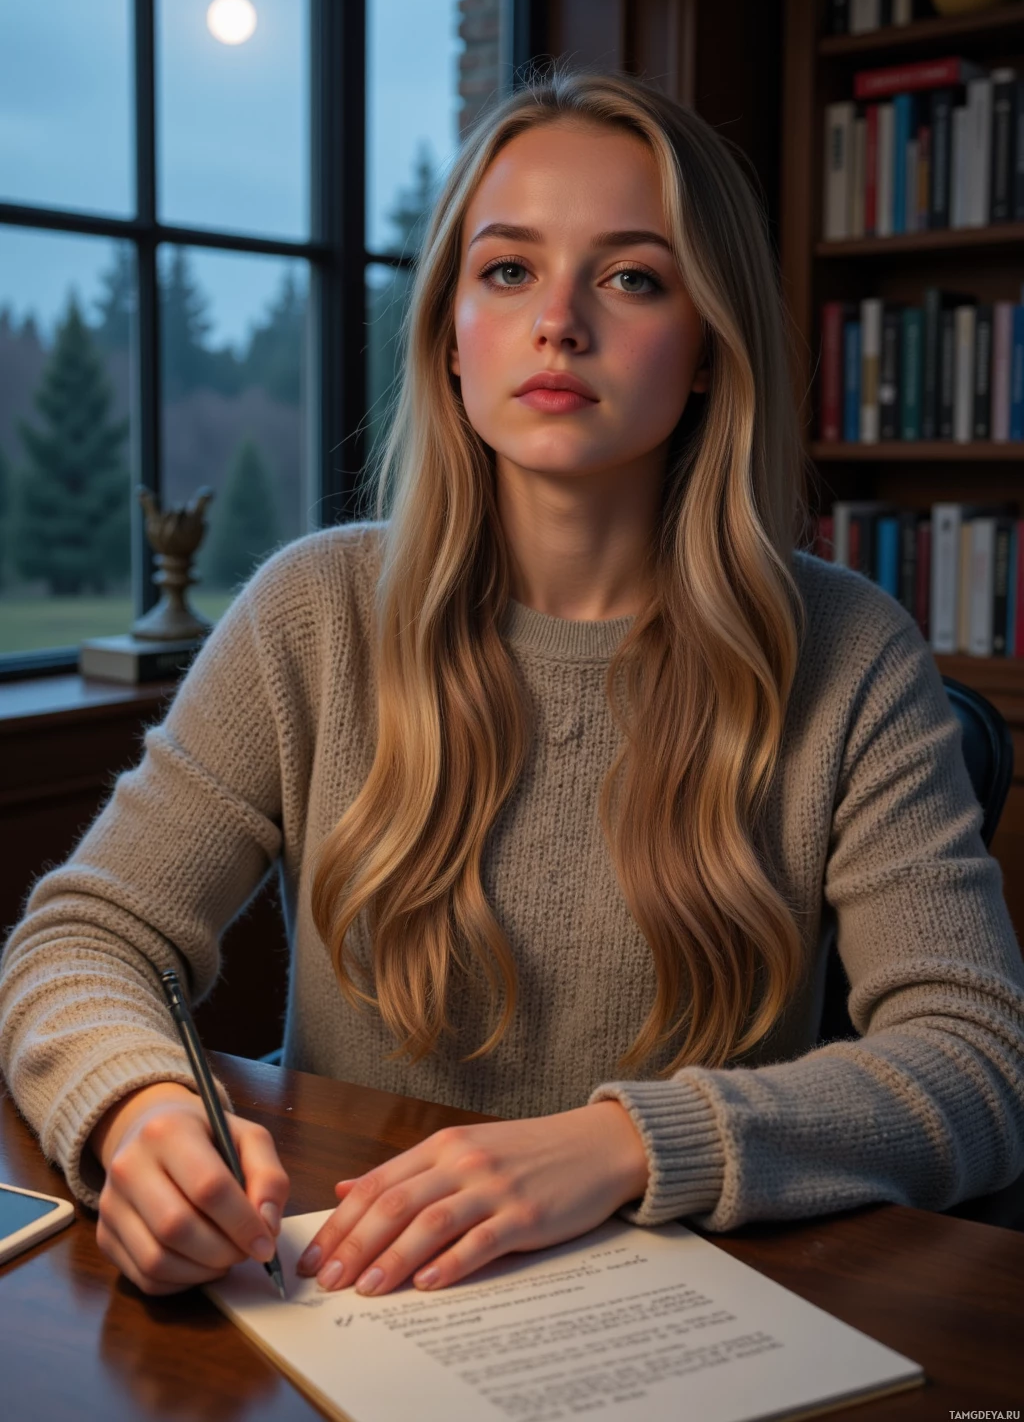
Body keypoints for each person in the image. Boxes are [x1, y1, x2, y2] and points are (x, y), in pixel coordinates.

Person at [2, 70, 1022, 1304]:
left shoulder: (848, 650)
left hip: (687, 1319)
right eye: (507, 270)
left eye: (631, 277)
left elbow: (977, 1063)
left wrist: (622, 1144)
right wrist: (142, 1109)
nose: (559, 323)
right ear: (449, 334)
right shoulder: (312, 612)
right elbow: (82, 939)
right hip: (349, 1294)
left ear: (709, 345)